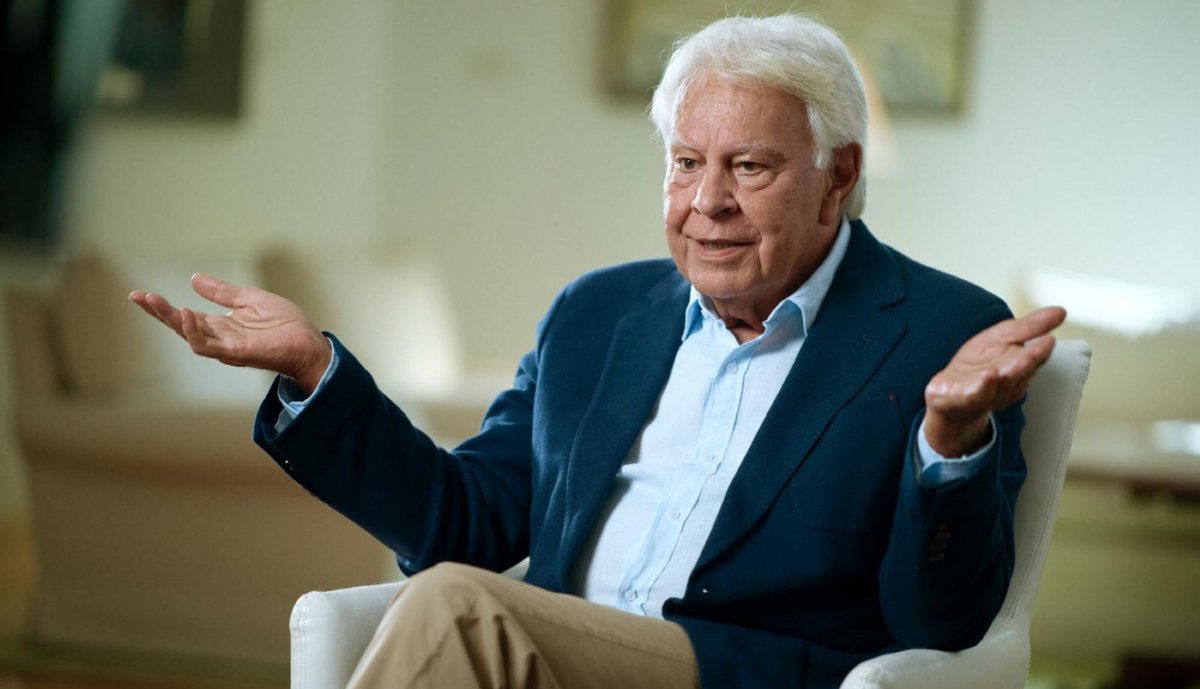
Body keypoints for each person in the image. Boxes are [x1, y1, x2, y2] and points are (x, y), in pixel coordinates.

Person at [130, 14, 1065, 689]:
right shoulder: (597, 312)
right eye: (686, 163)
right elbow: (465, 520)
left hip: (748, 670)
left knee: (457, 607)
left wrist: (949, 442)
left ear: (838, 175)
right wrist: (313, 374)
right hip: (546, 661)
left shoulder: (939, 332)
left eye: (749, 166)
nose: (708, 201)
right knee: (458, 596)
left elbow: (939, 622)